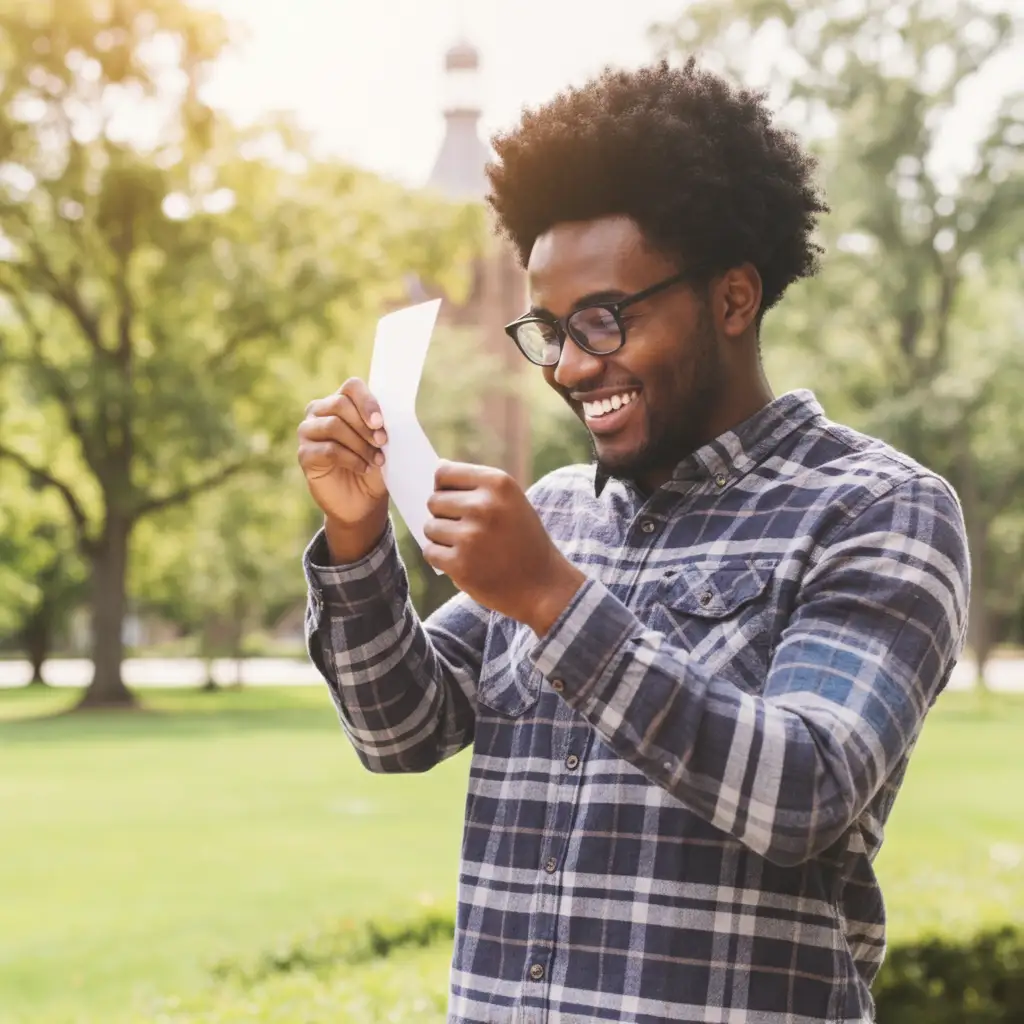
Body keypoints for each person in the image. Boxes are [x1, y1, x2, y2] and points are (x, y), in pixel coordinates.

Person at [297, 59, 970, 1024]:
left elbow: (804, 791)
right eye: (550, 330)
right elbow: (398, 730)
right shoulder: (560, 509)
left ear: (733, 299)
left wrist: (553, 602)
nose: (571, 366)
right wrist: (357, 541)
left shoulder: (877, 510)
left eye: (604, 319)